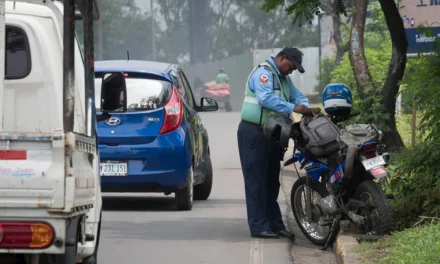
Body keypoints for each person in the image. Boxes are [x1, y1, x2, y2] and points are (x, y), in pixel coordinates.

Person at [237, 47, 321, 239]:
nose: (291, 71)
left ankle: (275, 224)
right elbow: (265, 99)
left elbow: (297, 96)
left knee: (272, 181)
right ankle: (259, 226)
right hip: (254, 133)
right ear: (282, 58)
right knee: (256, 181)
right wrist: (294, 107)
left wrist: (306, 108)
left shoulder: (283, 79)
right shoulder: (263, 74)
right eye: (291, 66)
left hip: (274, 134)